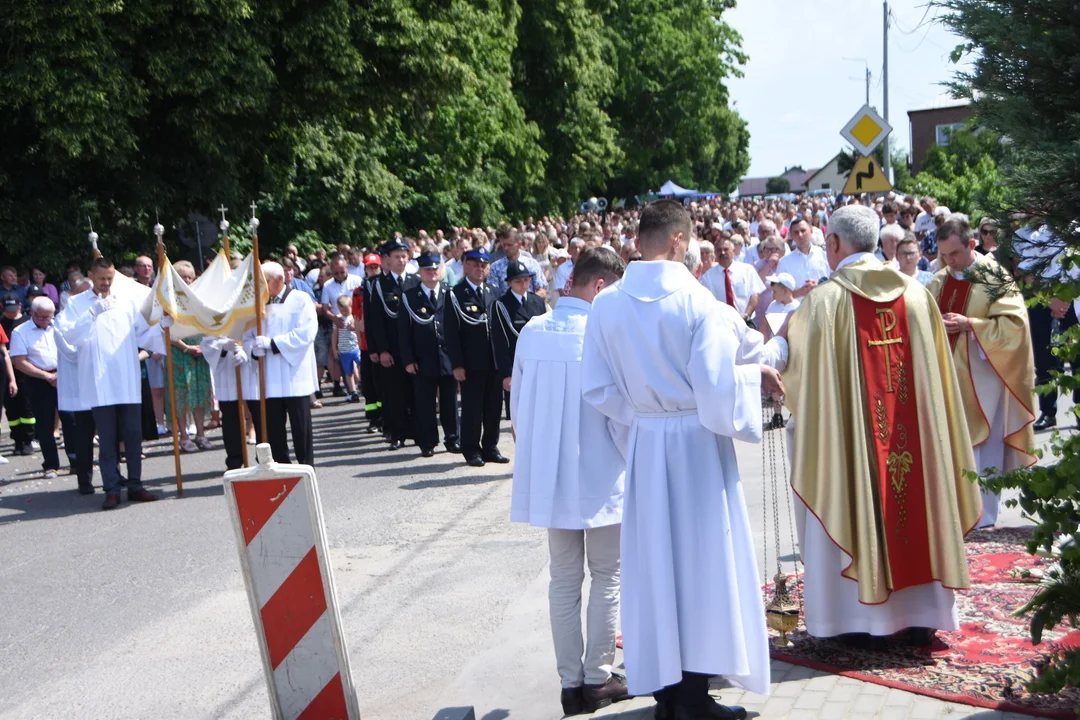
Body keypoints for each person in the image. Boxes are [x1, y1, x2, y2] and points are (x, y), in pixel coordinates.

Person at [582, 199, 785, 719]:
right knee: (701, 567)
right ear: (678, 240)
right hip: (695, 447)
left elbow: (599, 389)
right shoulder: (697, 302)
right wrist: (753, 378)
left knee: (656, 567)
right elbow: (717, 393)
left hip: (649, 445)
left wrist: (645, 421)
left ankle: (668, 695)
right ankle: (693, 699)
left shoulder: (606, 304)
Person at [783, 205, 981, 647]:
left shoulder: (823, 303)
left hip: (857, 448)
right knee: (917, 489)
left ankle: (855, 622)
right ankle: (920, 615)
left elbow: (798, 378)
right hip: (915, 442)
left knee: (851, 484)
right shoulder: (916, 296)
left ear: (833, 244)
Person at [509, 248, 630, 715]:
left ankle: (569, 683)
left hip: (552, 477)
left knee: (563, 580)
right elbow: (619, 412)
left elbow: (517, 409)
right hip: (600, 471)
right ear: (599, 286)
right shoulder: (603, 334)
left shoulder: (532, 330)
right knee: (606, 576)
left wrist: (537, 460)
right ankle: (597, 679)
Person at [926, 217, 1037, 528]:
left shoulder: (994, 277)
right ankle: (955, 516)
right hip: (948, 380)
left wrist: (970, 325)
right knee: (950, 446)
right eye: (944, 256)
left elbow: (1015, 328)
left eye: (955, 254)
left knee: (982, 448)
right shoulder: (939, 280)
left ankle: (984, 517)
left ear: (972, 244)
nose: (949, 262)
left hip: (984, 379)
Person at [57, 257, 163, 510]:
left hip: (125, 377)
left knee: (133, 435)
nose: (106, 284)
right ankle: (112, 488)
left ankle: (135, 485)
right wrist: (92, 313)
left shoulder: (125, 301)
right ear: (91, 276)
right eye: (102, 279)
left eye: (110, 279)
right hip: (99, 381)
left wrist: (162, 327)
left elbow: (143, 333)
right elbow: (67, 334)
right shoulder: (76, 303)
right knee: (107, 438)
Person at [243, 261, 318, 465]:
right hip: (269, 377)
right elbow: (246, 337)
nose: (261, 287)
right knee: (274, 428)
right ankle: (281, 467)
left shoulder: (300, 299)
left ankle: (306, 467)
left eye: (264, 281)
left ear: (279, 279)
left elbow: (306, 334)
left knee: (301, 427)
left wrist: (273, 343)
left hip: (294, 375)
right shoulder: (257, 304)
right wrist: (253, 348)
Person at [444, 247, 507, 467]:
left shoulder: (492, 291)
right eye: (476, 264)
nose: (480, 269)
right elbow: (450, 333)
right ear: (466, 266)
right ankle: (471, 449)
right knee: (472, 408)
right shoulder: (455, 294)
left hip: (493, 360)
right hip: (471, 362)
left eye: (484, 265)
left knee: (493, 405)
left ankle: (490, 446)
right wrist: (457, 363)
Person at [9, 296, 79, 479]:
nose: (46, 321)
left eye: (49, 317)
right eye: (42, 317)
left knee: (70, 419)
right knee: (44, 423)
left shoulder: (59, 326)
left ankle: (75, 461)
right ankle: (50, 464)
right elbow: (19, 362)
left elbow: (72, 350)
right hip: (38, 379)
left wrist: (60, 374)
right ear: (31, 313)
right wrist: (46, 376)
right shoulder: (20, 332)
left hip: (63, 375)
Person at [398, 252, 459, 458]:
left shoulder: (449, 293)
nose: (432, 273)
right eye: (427, 270)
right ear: (420, 272)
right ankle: (428, 441)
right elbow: (403, 331)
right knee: (425, 403)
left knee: (450, 400)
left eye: (435, 269)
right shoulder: (409, 296)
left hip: (447, 357)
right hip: (423, 358)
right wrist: (408, 360)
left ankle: (452, 438)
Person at [367, 240, 421, 450]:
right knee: (394, 393)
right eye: (396, 256)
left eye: (404, 255)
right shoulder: (379, 285)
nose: (400, 260)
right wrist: (381, 350)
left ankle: (417, 432)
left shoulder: (416, 281)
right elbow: (375, 321)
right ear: (387, 259)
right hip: (392, 348)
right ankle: (397, 434)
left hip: (414, 349)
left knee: (415, 393)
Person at [164, 260, 214, 453]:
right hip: (178, 351)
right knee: (181, 395)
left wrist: (203, 346)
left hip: (199, 349)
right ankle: (183, 436)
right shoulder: (169, 299)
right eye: (182, 276)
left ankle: (200, 433)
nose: (186, 280)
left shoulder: (198, 298)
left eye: (189, 277)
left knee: (200, 393)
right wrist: (185, 347)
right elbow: (165, 329)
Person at [492, 260, 547, 420]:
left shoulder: (536, 301)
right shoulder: (501, 305)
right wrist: (506, 374)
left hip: (537, 362)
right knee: (518, 415)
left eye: (526, 280)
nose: (523, 284)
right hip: (516, 364)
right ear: (509, 283)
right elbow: (499, 342)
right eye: (518, 281)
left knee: (538, 412)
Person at [200, 334, 249, 471]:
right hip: (227, 372)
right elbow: (207, 343)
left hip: (253, 368)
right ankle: (235, 461)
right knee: (231, 418)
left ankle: (264, 459)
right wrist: (223, 346)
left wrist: (246, 350)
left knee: (259, 414)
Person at [320, 257, 363, 398]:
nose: (339, 275)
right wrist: (334, 319)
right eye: (336, 273)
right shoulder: (327, 285)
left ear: (347, 269)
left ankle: (362, 383)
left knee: (360, 355)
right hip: (337, 321)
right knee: (336, 355)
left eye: (342, 272)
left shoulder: (356, 280)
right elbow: (325, 308)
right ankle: (339, 384)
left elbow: (362, 303)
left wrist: (355, 319)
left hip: (355, 319)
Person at [700, 238, 764, 323]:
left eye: (726, 249)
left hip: (746, 321)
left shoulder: (747, 270)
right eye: (719, 250)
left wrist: (746, 314)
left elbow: (754, 295)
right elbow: (707, 303)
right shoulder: (708, 277)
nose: (722, 253)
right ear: (715, 253)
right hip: (722, 323)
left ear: (733, 251)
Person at [354, 253, 384, 431]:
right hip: (366, 345)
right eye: (369, 268)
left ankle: (384, 417)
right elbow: (359, 323)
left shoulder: (383, 287)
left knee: (383, 384)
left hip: (381, 345)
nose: (372, 271)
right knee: (369, 384)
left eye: (375, 267)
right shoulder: (359, 291)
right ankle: (373, 418)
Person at [490, 223, 548, 299]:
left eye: (509, 245)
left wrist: (527, 301)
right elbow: (492, 294)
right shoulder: (496, 267)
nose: (506, 248)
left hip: (530, 307)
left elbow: (542, 291)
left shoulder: (532, 264)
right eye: (504, 245)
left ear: (519, 244)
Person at [777, 216, 830, 298]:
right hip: (798, 309)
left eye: (803, 230)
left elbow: (836, 283)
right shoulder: (784, 262)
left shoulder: (825, 256)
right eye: (796, 232)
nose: (800, 235)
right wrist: (800, 292)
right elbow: (780, 294)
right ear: (791, 235)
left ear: (811, 231)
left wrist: (820, 285)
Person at [331, 294, 361, 403]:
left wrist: (354, 328)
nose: (344, 313)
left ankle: (362, 383)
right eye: (342, 310)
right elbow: (334, 335)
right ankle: (353, 392)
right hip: (344, 350)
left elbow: (360, 331)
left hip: (356, 348)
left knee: (361, 365)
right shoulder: (338, 319)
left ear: (351, 306)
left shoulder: (354, 317)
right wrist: (334, 350)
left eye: (346, 310)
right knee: (348, 372)